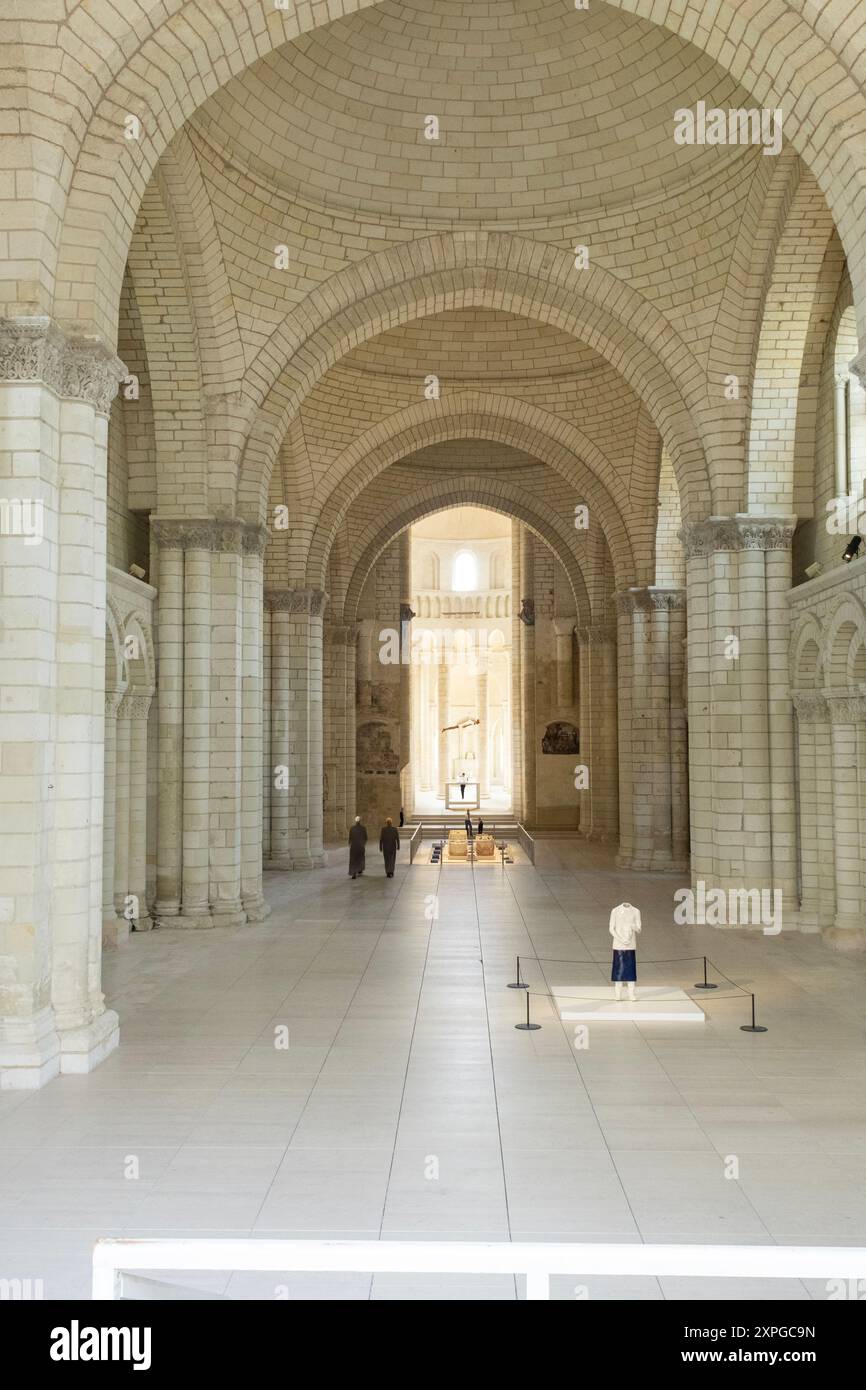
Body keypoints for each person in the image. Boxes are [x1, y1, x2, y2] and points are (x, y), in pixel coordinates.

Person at [609, 901, 641, 1001]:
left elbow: (639, 929)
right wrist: (621, 939)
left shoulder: (636, 911)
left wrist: (633, 926)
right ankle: (618, 994)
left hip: (630, 945)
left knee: (630, 970)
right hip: (618, 944)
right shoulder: (615, 911)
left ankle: (631, 993)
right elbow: (611, 928)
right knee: (618, 970)